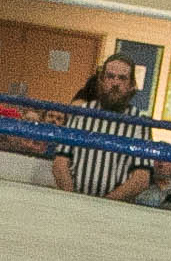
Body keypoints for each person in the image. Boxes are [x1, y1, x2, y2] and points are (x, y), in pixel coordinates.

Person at [50, 53, 153, 201]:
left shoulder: (139, 123)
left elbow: (141, 178)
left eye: (122, 78)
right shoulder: (81, 114)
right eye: (110, 76)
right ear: (101, 81)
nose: (115, 83)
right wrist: (73, 200)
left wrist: (104, 205)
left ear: (131, 85)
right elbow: (60, 164)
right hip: (74, 202)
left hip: (115, 209)